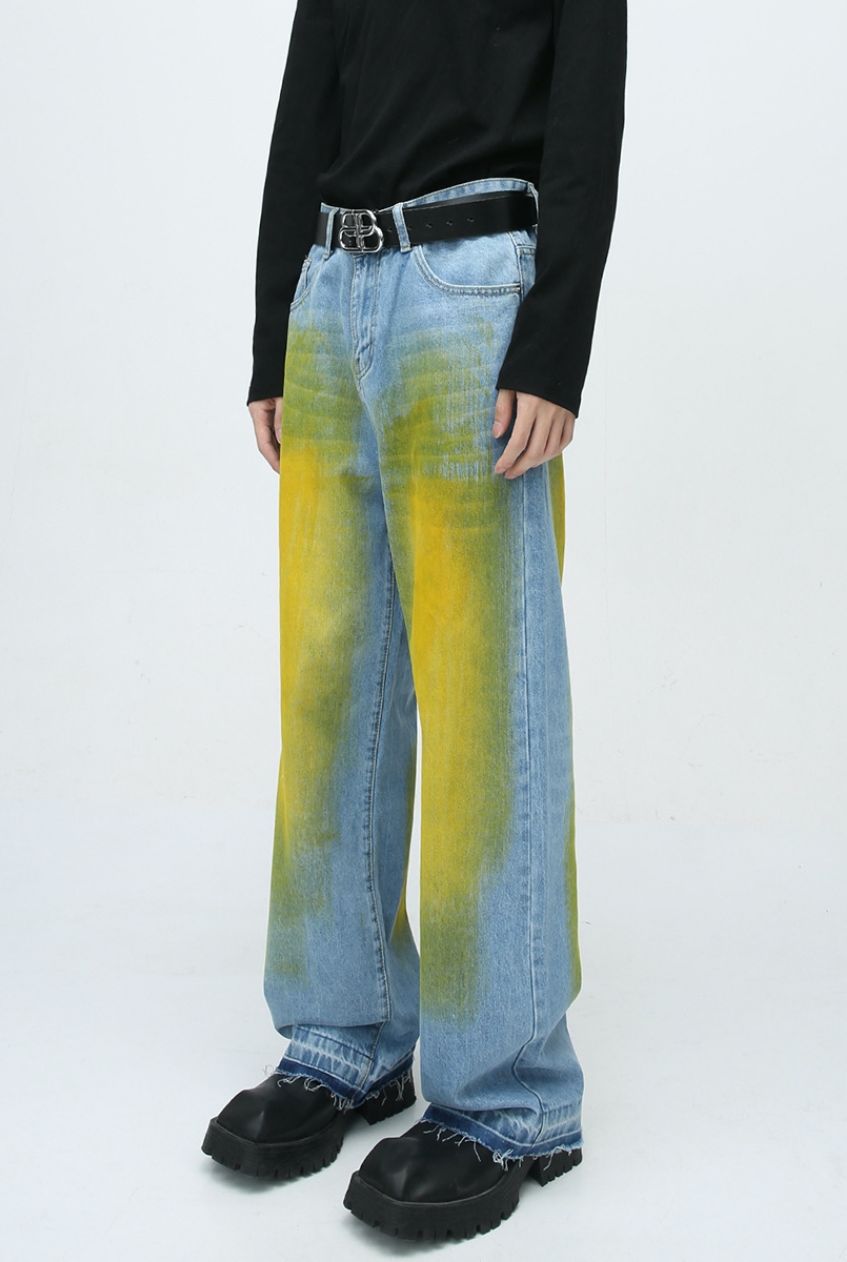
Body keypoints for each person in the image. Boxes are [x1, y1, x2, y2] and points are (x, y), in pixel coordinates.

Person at [202, 0, 627, 1241]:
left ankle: (509, 1097)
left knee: (488, 695)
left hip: (473, 280)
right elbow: (307, 103)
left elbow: (588, 108)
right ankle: (346, 1032)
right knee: (330, 690)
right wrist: (275, 331)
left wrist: (554, 344)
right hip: (332, 286)